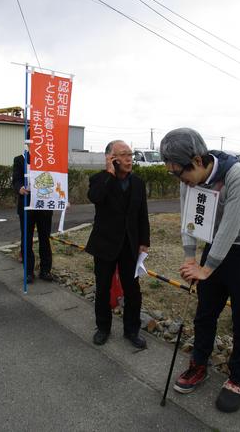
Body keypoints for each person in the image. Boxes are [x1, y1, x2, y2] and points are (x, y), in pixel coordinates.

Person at [160, 128, 240, 413]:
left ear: (197, 160)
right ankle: (199, 363)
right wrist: (190, 259)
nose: (179, 179)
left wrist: (207, 267)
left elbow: (231, 227)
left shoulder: (237, 175)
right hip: (213, 250)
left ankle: (236, 377)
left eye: (179, 172)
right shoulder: (188, 181)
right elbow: (189, 219)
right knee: (205, 312)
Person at [85, 140, 150, 349]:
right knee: (103, 288)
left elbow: (142, 215)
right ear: (111, 158)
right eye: (123, 154)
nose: (129, 159)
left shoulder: (138, 183)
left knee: (133, 290)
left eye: (130, 154)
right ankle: (103, 328)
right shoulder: (99, 180)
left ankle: (132, 330)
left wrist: (144, 242)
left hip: (130, 245)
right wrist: (109, 174)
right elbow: (95, 197)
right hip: (105, 244)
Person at [12, 147, 53, 284]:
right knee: (26, 238)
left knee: (44, 238)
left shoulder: (48, 159)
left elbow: (56, 178)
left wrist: (62, 198)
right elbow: (16, 179)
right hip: (26, 204)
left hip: (44, 204)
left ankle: (45, 270)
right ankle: (28, 272)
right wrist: (20, 188)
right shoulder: (20, 160)